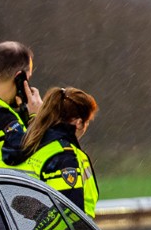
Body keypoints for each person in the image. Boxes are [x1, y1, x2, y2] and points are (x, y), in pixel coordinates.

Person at [7, 87, 100, 215]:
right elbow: (69, 216)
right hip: (46, 228)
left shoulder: (17, 144)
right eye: (87, 121)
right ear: (79, 123)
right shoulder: (64, 156)